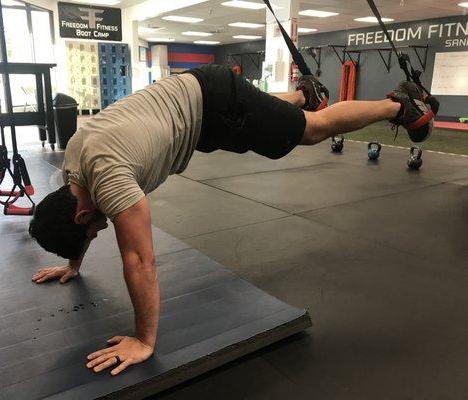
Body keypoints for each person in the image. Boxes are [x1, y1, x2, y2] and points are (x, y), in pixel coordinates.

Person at [28, 64, 434, 376]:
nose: (99, 231)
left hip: (214, 103)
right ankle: (302, 94)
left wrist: (143, 341)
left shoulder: (110, 181)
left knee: (311, 131)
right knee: (265, 120)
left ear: (82, 213)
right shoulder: (72, 165)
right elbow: (79, 221)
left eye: (91, 233)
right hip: (192, 109)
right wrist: (72, 263)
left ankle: (399, 104)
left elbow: (140, 261)